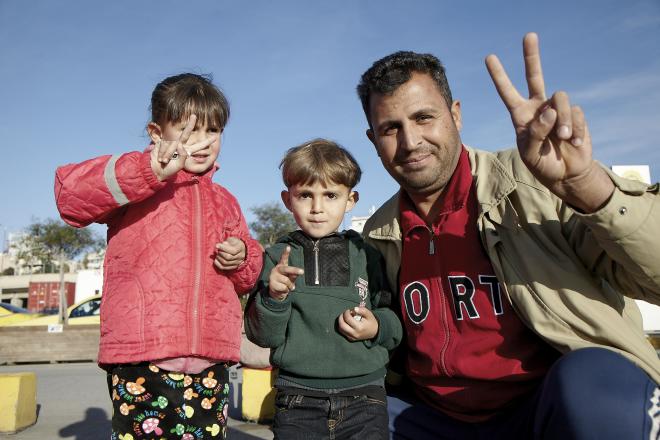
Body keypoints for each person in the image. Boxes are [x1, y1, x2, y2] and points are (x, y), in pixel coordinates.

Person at [357, 32, 660, 439]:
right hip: (434, 419)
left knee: (594, 381)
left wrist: (588, 186)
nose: (411, 142)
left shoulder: (538, 183)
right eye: (390, 128)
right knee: (345, 411)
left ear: (456, 115)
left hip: (546, 410)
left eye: (424, 117)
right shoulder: (377, 233)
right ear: (373, 140)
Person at [55, 73, 262, 439]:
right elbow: (69, 196)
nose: (202, 142)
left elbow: (248, 277)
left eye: (213, 131)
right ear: (156, 132)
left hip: (210, 361)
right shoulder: (137, 182)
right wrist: (148, 170)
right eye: (188, 131)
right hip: (141, 358)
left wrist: (243, 256)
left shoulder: (226, 201)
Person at [244, 139, 403, 439]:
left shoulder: (367, 256)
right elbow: (263, 336)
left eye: (331, 195)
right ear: (287, 199)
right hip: (297, 400)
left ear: (351, 199)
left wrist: (377, 326)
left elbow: (394, 320)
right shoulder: (277, 258)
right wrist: (275, 298)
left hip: (365, 398)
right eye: (305, 195)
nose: (317, 208)